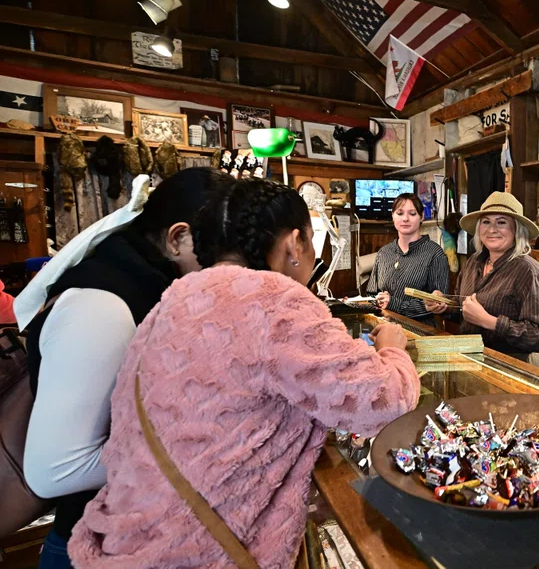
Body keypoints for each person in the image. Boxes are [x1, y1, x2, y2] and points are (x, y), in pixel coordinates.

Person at [68, 178, 419, 569]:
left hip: (130, 538)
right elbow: (384, 401)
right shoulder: (277, 300)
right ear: (295, 242)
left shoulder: (172, 299)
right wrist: (391, 348)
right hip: (204, 551)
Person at [21, 168, 235, 569]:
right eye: (228, 257)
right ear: (178, 238)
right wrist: (210, 445)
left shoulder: (149, 285)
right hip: (93, 549)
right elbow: (56, 470)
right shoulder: (101, 305)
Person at [425, 191, 539, 359]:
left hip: (508, 368)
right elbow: (460, 306)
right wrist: (443, 304)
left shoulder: (530, 272)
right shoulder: (473, 262)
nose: (492, 229)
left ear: (517, 230)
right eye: (486, 222)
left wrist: (490, 322)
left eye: (501, 222)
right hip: (469, 360)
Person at [367, 193, 449, 320]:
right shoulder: (384, 253)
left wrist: (393, 303)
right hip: (384, 328)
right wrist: (378, 301)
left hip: (419, 330)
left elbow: (437, 304)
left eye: (412, 213)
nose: (405, 219)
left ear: (421, 217)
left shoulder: (435, 253)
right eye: (400, 213)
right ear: (392, 216)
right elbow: (371, 295)